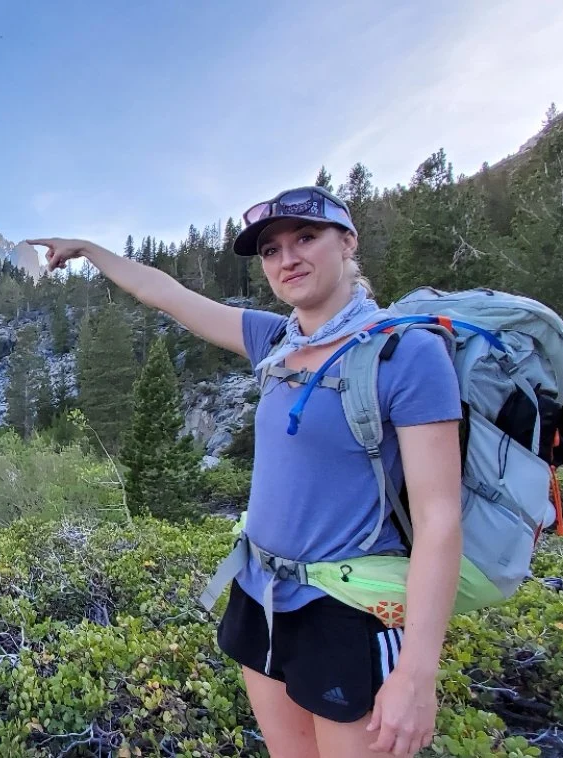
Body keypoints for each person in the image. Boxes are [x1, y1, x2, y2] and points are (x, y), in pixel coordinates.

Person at [27, 185, 463, 758]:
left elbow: (439, 519)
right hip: (260, 591)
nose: (288, 259)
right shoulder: (274, 340)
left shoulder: (404, 353)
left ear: (348, 242)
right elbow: (167, 294)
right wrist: (88, 249)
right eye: (272, 250)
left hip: (349, 613)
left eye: (306, 238)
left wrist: (417, 674)